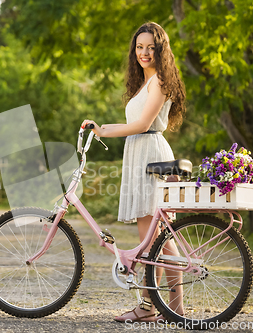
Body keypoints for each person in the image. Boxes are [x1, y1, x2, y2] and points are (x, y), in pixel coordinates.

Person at [81, 21, 186, 322]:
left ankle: (162, 309)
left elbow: (141, 126)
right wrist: (99, 128)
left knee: (157, 241)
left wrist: (106, 131)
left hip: (151, 155)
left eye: (151, 47)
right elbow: (132, 128)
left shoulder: (161, 81)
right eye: (140, 47)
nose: (144, 52)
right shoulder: (144, 82)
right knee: (154, 240)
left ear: (160, 50)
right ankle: (163, 309)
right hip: (140, 152)